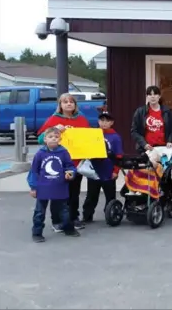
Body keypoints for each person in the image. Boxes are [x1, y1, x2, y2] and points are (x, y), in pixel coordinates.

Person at [36, 93, 91, 231]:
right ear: (60, 105)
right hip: (57, 163)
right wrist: (56, 130)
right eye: (65, 102)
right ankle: (57, 221)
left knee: (74, 193)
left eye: (71, 101)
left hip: (76, 163)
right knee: (58, 193)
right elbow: (40, 139)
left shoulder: (82, 120)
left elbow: (89, 139)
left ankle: (73, 217)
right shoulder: (53, 119)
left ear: (75, 105)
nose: (68, 104)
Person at [28, 127, 80, 242]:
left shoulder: (64, 152)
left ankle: (68, 228)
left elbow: (70, 166)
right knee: (39, 212)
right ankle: (37, 233)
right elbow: (34, 171)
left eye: (56, 137)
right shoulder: (40, 154)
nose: (53, 139)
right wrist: (33, 187)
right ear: (45, 139)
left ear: (60, 139)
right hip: (43, 187)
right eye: (50, 137)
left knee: (64, 210)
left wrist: (71, 173)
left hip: (59, 186)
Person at [83, 111, 123, 223]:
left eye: (107, 121)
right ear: (98, 121)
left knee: (110, 196)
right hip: (94, 172)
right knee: (91, 196)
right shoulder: (93, 135)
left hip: (108, 172)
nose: (104, 123)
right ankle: (87, 216)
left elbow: (119, 156)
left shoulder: (115, 137)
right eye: (102, 120)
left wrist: (116, 171)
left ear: (112, 122)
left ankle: (111, 216)